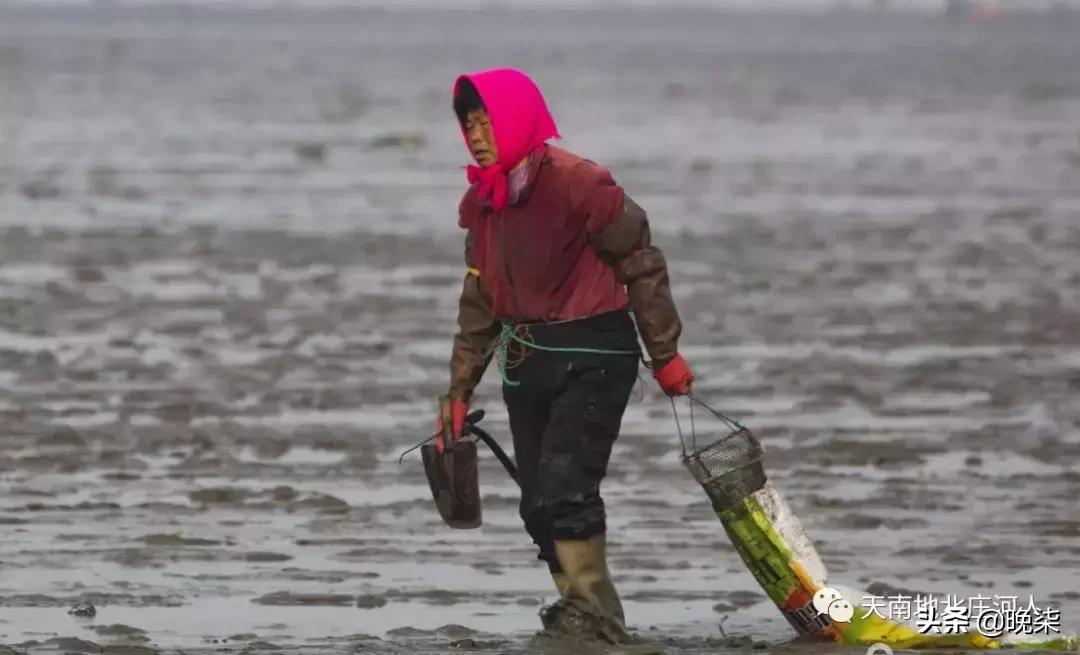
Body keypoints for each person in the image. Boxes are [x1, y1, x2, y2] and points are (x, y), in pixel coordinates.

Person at [435, 66, 694, 643]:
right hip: (527, 360)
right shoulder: (483, 204)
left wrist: (665, 353)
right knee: (536, 506)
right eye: (468, 123)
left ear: (517, 118)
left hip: (596, 352)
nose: (476, 134)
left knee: (565, 489)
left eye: (487, 120)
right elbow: (478, 304)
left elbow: (641, 264)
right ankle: (589, 615)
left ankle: (589, 617)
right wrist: (457, 392)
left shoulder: (582, 182)